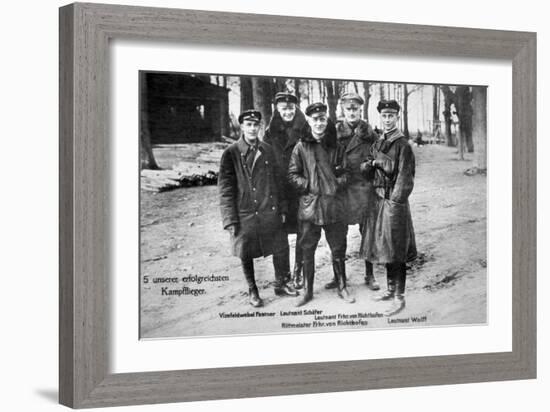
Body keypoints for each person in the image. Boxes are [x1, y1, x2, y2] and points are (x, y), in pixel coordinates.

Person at [218, 109, 298, 308]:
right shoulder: (231, 153)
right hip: (245, 212)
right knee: (246, 252)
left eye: (256, 125)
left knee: (280, 247)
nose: (252, 129)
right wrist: (229, 219)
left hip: (269, 209)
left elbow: (279, 182)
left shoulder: (268, 150)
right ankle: (253, 289)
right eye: (248, 125)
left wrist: (283, 209)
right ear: (241, 127)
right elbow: (225, 189)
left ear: (260, 127)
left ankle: (282, 282)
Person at [288, 102, 355, 307]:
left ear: (327, 120)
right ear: (308, 121)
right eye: (315, 119)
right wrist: (309, 185)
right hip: (310, 207)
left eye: (322, 119)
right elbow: (292, 174)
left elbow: (346, 172)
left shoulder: (336, 145)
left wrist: (335, 184)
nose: (319, 123)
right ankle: (307, 291)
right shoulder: (301, 146)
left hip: (334, 205)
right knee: (307, 249)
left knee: (338, 247)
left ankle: (342, 286)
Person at [360, 100, 417, 316]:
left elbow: (405, 179)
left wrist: (394, 202)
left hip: (394, 204)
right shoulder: (378, 143)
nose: (387, 120)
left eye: (391, 116)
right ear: (380, 117)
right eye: (384, 116)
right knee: (385, 248)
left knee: (397, 250)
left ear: (397, 117)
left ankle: (399, 296)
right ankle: (390, 289)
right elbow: (364, 168)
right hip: (378, 202)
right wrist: (373, 164)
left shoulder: (403, 145)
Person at [324, 92, 380, 291]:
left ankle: (370, 274)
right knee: (338, 236)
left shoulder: (369, 133)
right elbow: (325, 158)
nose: (352, 113)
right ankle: (339, 276)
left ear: (360, 110)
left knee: (368, 234)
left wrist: (371, 169)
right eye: (348, 109)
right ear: (342, 110)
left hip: (364, 190)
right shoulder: (333, 131)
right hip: (340, 191)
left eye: (355, 109)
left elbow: (378, 159)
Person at [264, 92, 307, 290]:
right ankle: (282, 277)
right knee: (278, 235)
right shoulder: (269, 132)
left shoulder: (305, 128)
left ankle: (300, 272)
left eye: (291, 108)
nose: (288, 112)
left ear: (295, 108)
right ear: (277, 110)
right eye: (284, 109)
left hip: (300, 189)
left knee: (303, 232)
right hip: (279, 190)